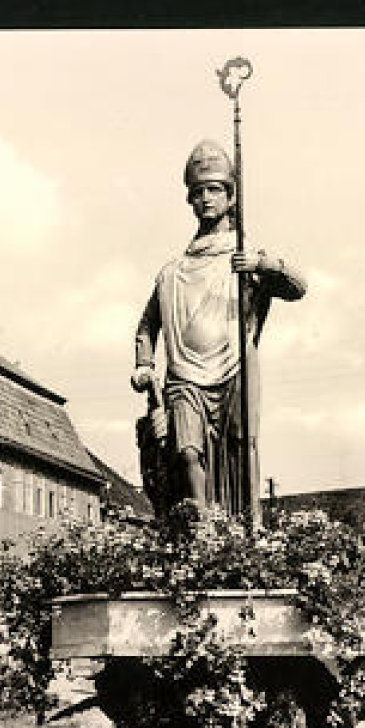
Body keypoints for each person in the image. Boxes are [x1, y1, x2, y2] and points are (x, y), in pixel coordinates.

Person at [132, 138, 307, 516]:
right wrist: (144, 364)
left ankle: (248, 527)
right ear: (190, 200)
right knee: (187, 452)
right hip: (184, 376)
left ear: (231, 197)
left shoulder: (246, 257)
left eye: (214, 189)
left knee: (242, 447)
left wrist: (262, 265)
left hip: (235, 367)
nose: (206, 199)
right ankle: (202, 533)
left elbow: (298, 288)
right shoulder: (173, 272)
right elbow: (148, 325)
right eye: (198, 192)